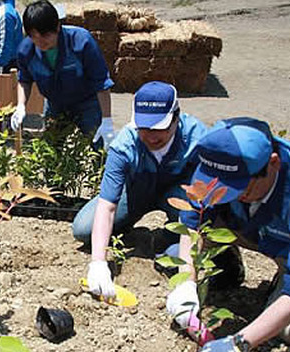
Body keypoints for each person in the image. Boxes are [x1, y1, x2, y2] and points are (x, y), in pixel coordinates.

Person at [166, 117, 290, 352]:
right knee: (196, 236)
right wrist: (186, 280)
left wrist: (237, 345)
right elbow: (193, 222)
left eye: (240, 187)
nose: (229, 194)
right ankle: (231, 265)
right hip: (257, 229)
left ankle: (286, 277)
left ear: (273, 163)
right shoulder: (220, 161)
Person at [75, 81, 211, 297]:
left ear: (176, 117)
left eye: (159, 128)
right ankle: (142, 232)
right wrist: (98, 263)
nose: (151, 136)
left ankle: (168, 237)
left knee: (195, 232)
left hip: (180, 197)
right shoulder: (124, 145)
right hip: (138, 190)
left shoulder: (198, 140)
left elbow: (201, 206)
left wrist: (187, 282)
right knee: (83, 229)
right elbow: (107, 205)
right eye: (144, 128)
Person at [11, 0, 115, 149]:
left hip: (87, 103)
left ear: (57, 27)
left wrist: (106, 120)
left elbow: (101, 82)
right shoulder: (26, 51)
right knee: (51, 151)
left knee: (98, 147)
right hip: (55, 104)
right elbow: (24, 80)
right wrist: (21, 106)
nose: (40, 41)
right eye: (34, 36)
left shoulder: (81, 42)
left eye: (45, 35)